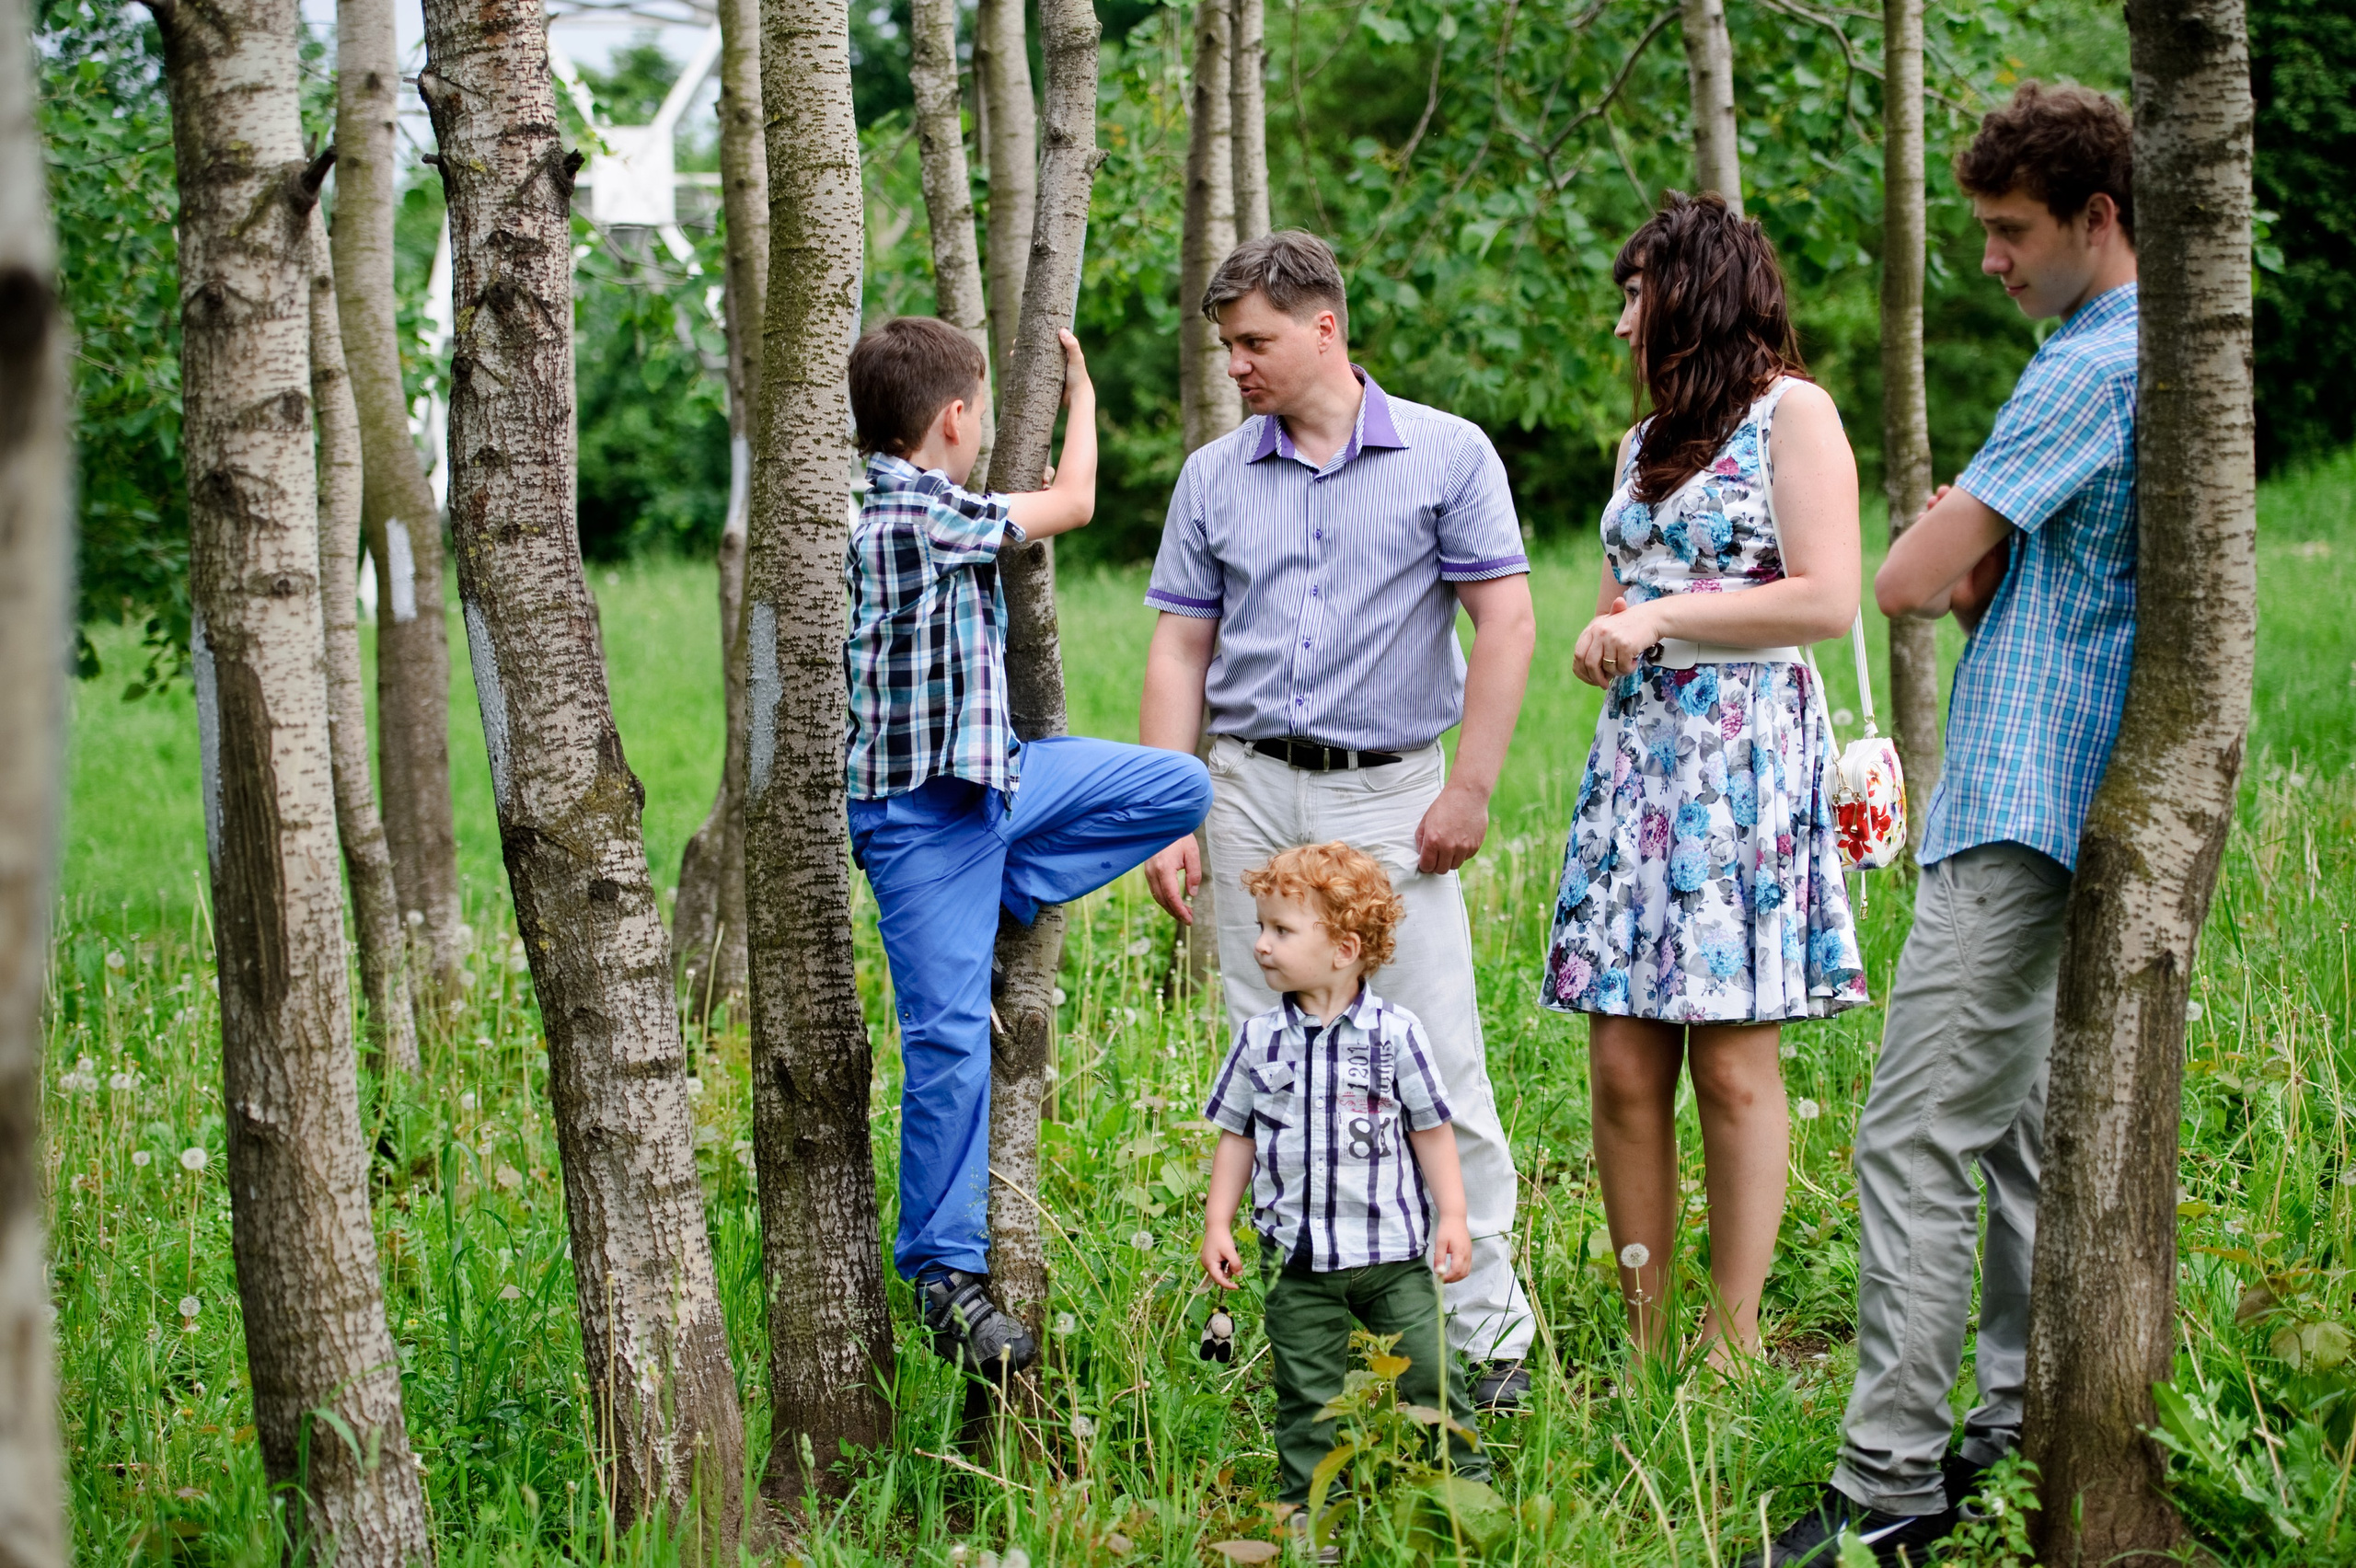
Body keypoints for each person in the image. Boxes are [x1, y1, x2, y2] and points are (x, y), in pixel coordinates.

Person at [1750, 81, 2141, 1567]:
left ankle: (1889, 1483)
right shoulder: (2103, 354)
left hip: (2029, 787)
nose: (1989, 256)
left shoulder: (2093, 362)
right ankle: (2003, 1422)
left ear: (2097, 219)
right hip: (2049, 787)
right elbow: (1978, 567)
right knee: (2017, 1138)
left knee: (1912, 1133)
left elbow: (1912, 577)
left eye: (2009, 231)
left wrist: (1944, 537)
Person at [1139, 231, 1542, 1411]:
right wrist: (1170, 807)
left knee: (1433, 1061)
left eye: (1254, 342)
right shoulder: (1215, 476)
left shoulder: (1447, 456)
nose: (1237, 367)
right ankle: (1320, 1340)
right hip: (1250, 792)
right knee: (1273, 1066)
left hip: (1389, 796)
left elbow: (1504, 624)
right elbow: (1179, 643)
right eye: (1226, 347)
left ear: (1325, 327)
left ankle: (1484, 1345)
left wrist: (1466, 788)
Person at [842, 317, 1212, 1378]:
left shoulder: (923, 507)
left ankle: (1001, 888)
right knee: (950, 1041)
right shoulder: (912, 516)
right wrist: (1080, 393)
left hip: (992, 789)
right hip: (920, 823)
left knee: (1177, 786)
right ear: (955, 420)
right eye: (980, 417)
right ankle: (942, 1273)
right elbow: (1079, 504)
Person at [1542, 192, 1868, 1374]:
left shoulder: (1795, 413)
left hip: (1743, 756)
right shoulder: (1638, 446)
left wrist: (1667, 616)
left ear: (1697, 293)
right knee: (1623, 1058)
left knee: (1730, 1059)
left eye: (1638, 295)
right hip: (1640, 758)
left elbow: (1825, 598)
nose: (1625, 324)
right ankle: (1643, 1344)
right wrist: (1610, 630)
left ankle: (1732, 1347)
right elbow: (1632, 591)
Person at [1198, 842, 1487, 1550]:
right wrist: (1218, 1220)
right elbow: (1236, 1135)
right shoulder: (1259, 1041)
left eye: (1281, 931)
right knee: (1306, 1399)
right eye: (1261, 927)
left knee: (1432, 1375)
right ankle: (1310, 1520)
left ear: (1344, 948)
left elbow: (1431, 1128)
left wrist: (1453, 1214)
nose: (1261, 945)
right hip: (1298, 1264)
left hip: (1393, 1256)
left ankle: (1468, 1496)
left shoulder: (1396, 1036)